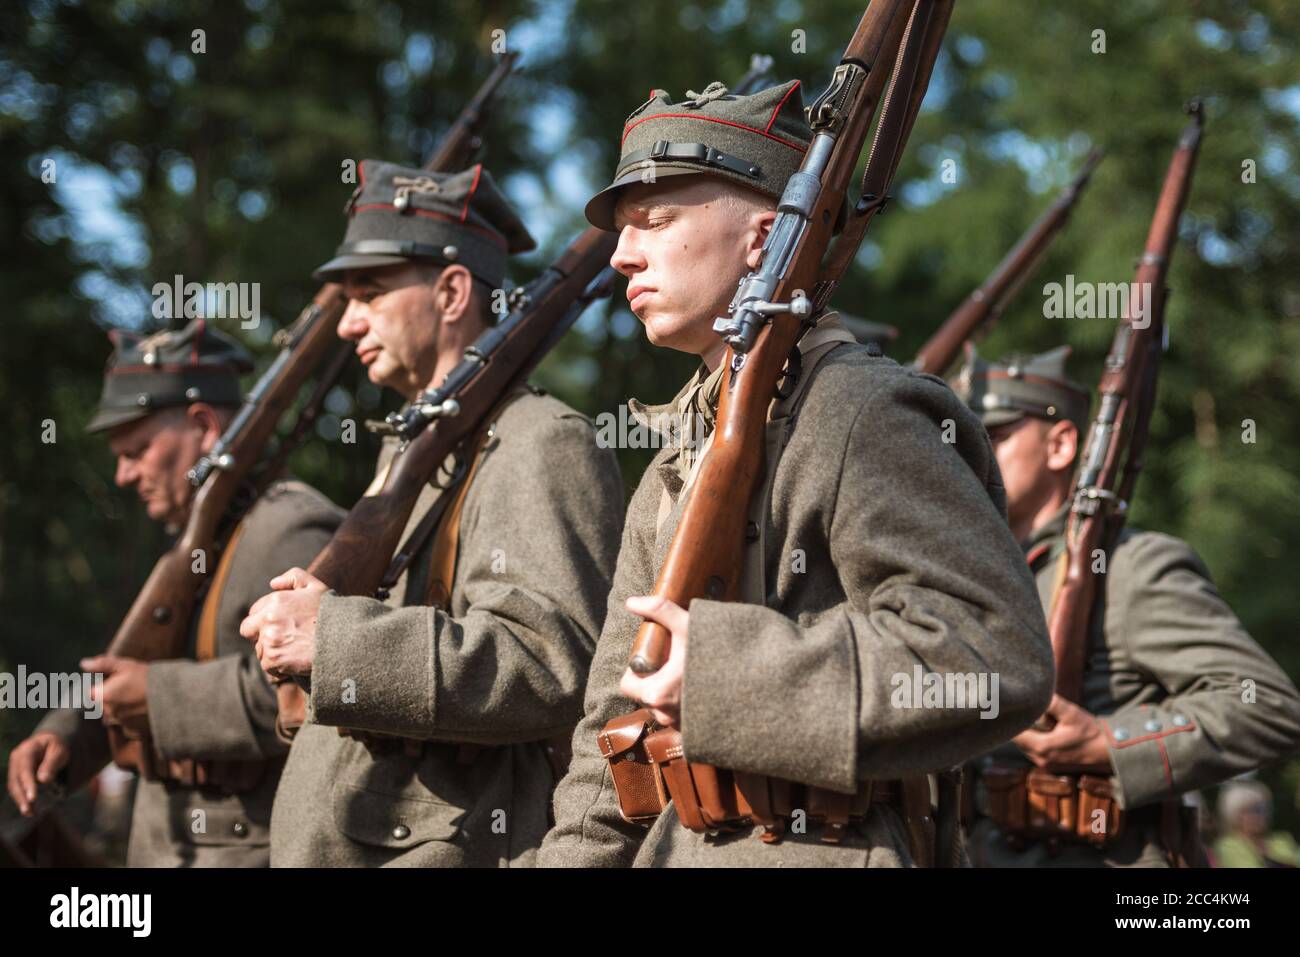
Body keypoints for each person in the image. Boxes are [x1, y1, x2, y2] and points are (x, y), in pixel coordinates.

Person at [540, 80, 1054, 867]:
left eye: (657, 219)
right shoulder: (679, 455)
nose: (621, 253)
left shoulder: (858, 410)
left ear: (764, 237)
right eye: (623, 229)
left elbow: (990, 656)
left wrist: (728, 672)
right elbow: (612, 733)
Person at [240, 160, 624, 866]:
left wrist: (336, 642)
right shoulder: (414, 447)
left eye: (370, 292)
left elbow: (553, 665)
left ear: (451, 291)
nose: (348, 320)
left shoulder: (540, 440)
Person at [6, 319, 343, 866]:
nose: (123, 474)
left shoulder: (291, 528)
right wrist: (66, 734)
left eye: (137, 449)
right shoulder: (192, 540)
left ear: (204, 424)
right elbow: (133, 663)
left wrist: (158, 696)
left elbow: (315, 689)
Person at [956, 344, 1300, 866]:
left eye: (995, 436)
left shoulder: (1131, 567)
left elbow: (1268, 707)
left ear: (1060, 445)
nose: (971, 454)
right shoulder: (978, 573)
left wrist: (1107, 740)